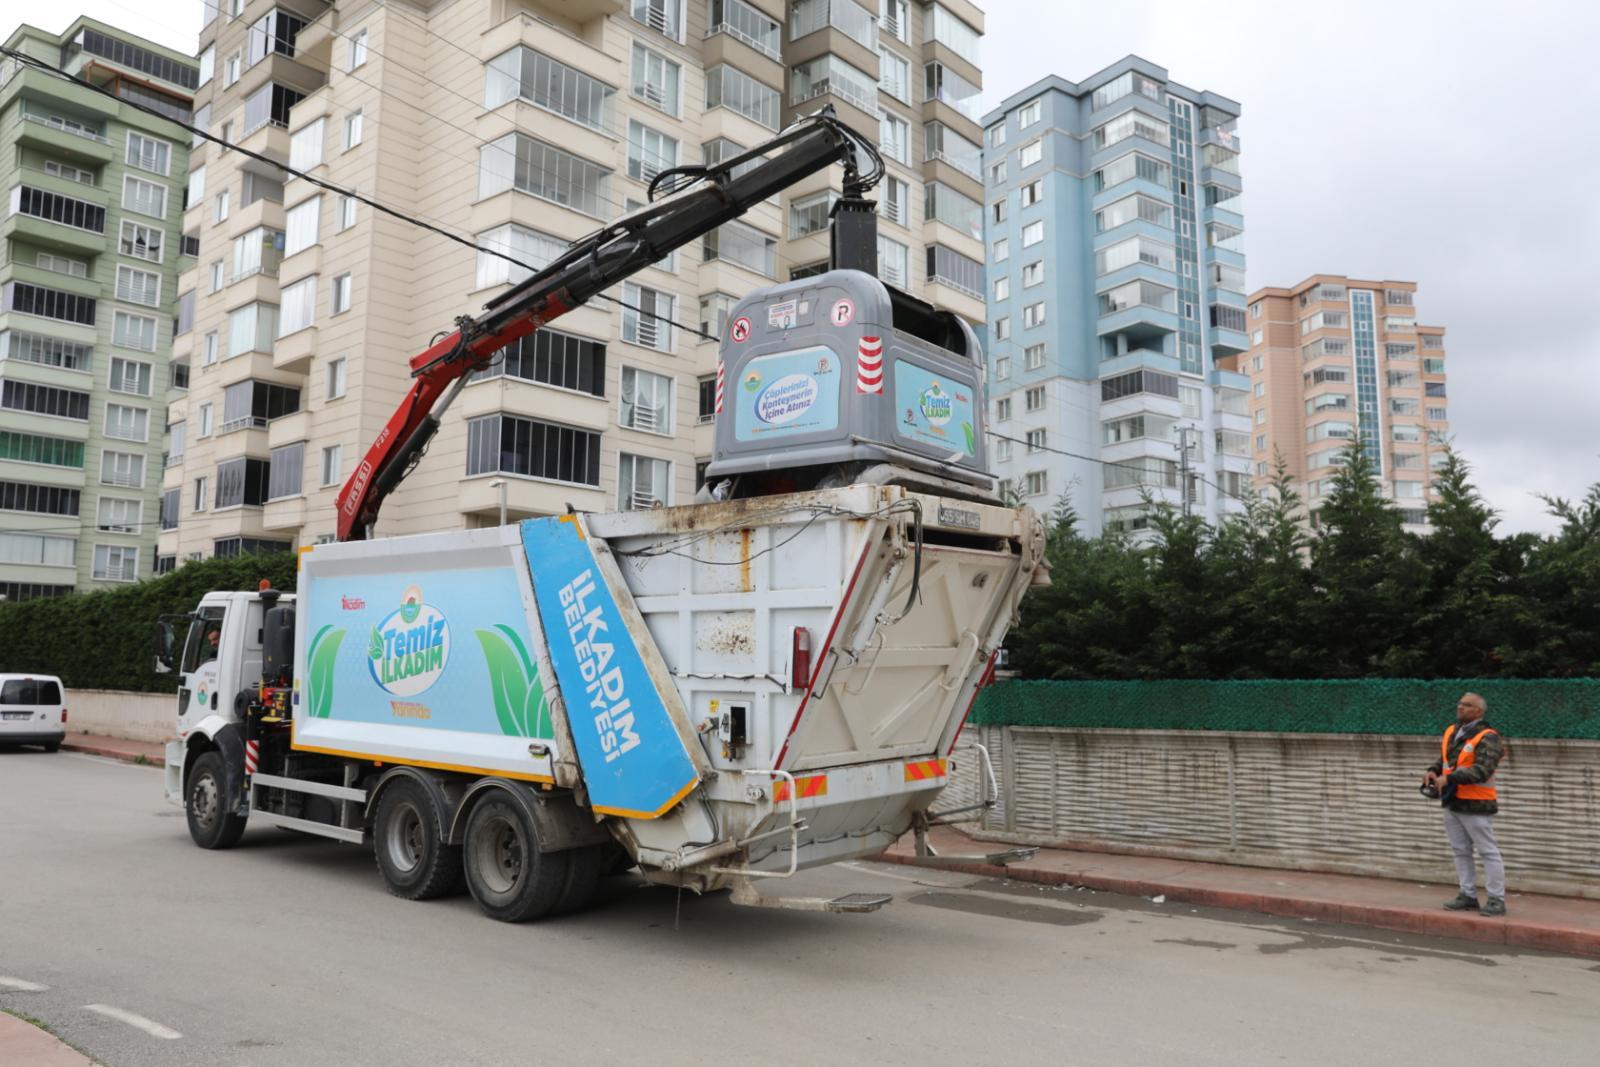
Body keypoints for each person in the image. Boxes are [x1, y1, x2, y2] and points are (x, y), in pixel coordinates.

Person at [1422, 692, 1506, 916]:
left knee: (1488, 851)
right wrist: (1433, 770)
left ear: (1479, 711)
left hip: (1477, 803)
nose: (1460, 707)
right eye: (1459, 703)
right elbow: (1447, 759)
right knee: (1460, 850)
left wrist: (1448, 778)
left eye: (1467, 705)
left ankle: (1496, 899)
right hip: (1452, 800)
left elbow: (1482, 770)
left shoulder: (1489, 737)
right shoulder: (1452, 731)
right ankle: (1467, 894)